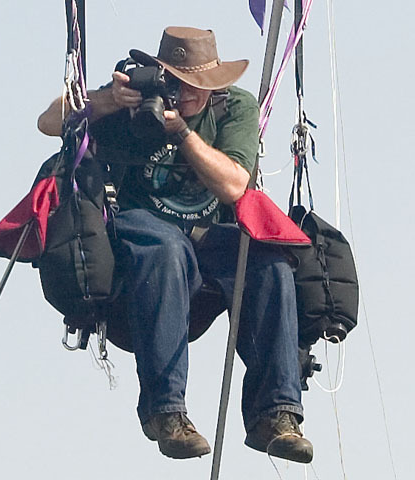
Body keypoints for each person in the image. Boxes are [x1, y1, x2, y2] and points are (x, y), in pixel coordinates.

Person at [38, 26, 313, 463]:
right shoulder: (132, 102)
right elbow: (48, 122)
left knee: (269, 262)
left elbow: (237, 186)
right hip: (141, 236)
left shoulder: (232, 107)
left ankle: (275, 413)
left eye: (197, 87)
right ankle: (166, 412)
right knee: (165, 247)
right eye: (177, 84)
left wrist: (183, 131)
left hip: (208, 241)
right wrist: (109, 99)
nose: (185, 94)